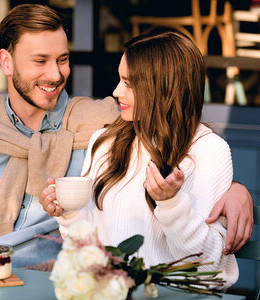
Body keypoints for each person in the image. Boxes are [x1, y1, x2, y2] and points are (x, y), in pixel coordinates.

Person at [0, 4, 252, 267]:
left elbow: (171, 136)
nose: (55, 74)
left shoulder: (104, 123)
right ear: (6, 62)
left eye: (63, 59)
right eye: (41, 61)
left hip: (55, 281)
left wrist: (234, 188)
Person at [40, 31, 239, 287]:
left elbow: (207, 265)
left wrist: (171, 205)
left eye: (129, 83)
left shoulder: (209, 150)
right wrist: (67, 213)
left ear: (164, 88)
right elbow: (87, 249)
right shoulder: (105, 142)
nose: (115, 91)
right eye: (120, 79)